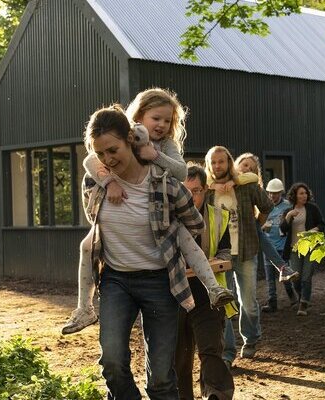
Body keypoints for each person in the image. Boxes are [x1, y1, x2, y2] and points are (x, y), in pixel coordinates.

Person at [63, 88, 234, 335]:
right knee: (87, 246)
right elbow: (90, 160)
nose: (162, 125)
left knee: (185, 239)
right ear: (139, 116)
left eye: (167, 120)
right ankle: (84, 307)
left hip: (162, 209)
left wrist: (155, 155)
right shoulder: (126, 137)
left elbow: (181, 172)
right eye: (156, 118)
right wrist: (108, 182)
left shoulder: (166, 145)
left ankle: (213, 287)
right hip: (124, 214)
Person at [82, 105, 202, 398]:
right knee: (111, 362)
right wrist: (109, 179)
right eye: (100, 154)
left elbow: (195, 223)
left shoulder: (163, 182)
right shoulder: (95, 183)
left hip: (160, 281)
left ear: (129, 139)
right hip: (116, 280)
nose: (108, 159)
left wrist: (172, 233)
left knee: (161, 377)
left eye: (113, 150)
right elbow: (94, 221)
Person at [204, 146, 273, 364]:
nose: (217, 166)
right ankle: (227, 352)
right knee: (225, 303)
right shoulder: (207, 190)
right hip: (219, 256)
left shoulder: (246, 186)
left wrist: (256, 225)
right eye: (213, 162)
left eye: (221, 161)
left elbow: (267, 205)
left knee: (248, 302)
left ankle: (251, 339)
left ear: (229, 162)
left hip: (246, 251)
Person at [176, 163, 235, 400]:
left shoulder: (219, 217)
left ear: (206, 190)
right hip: (175, 294)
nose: (191, 197)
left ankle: (216, 394)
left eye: (196, 191)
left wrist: (214, 261)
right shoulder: (168, 217)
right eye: (185, 191)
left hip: (208, 295)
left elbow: (226, 253)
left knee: (211, 348)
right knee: (179, 355)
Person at [231, 153, 298, 285]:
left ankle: (282, 268)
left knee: (258, 231)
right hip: (230, 228)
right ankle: (282, 267)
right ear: (237, 164)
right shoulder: (227, 179)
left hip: (248, 227)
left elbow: (266, 206)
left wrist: (259, 222)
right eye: (245, 165)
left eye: (251, 169)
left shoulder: (251, 184)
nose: (247, 169)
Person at [280, 182, 325, 316]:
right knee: (296, 278)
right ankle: (301, 297)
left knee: (306, 277)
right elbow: (283, 229)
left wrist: (313, 230)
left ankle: (304, 303)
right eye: (301, 193)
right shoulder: (288, 211)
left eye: (305, 193)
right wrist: (289, 216)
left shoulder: (312, 208)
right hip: (294, 249)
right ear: (295, 195)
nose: (304, 196)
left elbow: (322, 224)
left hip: (310, 247)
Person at [258, 178, 296, 312]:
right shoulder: (264, 207)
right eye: (270, 193)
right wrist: (263, 227)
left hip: (282, 247)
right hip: (268, 246)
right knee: (269, 277)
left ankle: (293, 298)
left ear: (281, 193)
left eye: (275, 193)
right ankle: (272, 302)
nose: (272, 196)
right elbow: (258, 224)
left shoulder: (287, 206)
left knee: (285, 275)